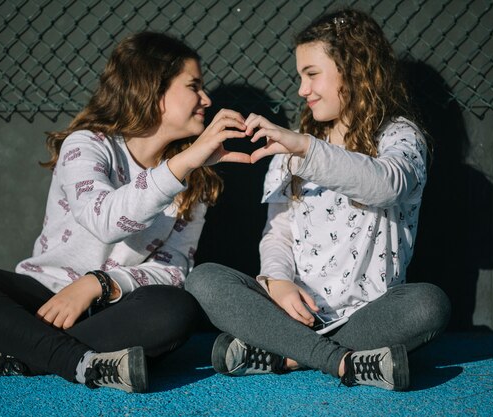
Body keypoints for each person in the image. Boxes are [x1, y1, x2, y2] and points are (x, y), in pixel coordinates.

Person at [0, 31, 250, 393]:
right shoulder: (88, 144)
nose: (206, 99)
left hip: (113, 308)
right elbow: (104, 220)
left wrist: (100, 285)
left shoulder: (194, 179)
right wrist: (183, 164)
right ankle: (80, 363)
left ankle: (18, 354)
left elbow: (173, 269)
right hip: (44, 296)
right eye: (194, 86)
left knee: (175, 310)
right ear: (153, 88)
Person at [185, 9, 451, 391]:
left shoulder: (399, 136)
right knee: (204, 279)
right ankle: (343, 361)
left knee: (429, 304)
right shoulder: (291, 146)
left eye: (312, 74)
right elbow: (278, 234)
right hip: (290, 312)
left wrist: (305, 148)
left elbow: (387, 184)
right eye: (300, 77)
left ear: (355, 70)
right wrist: (277, 281)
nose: (302, 90)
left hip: (367, 316)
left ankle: (286, 356)